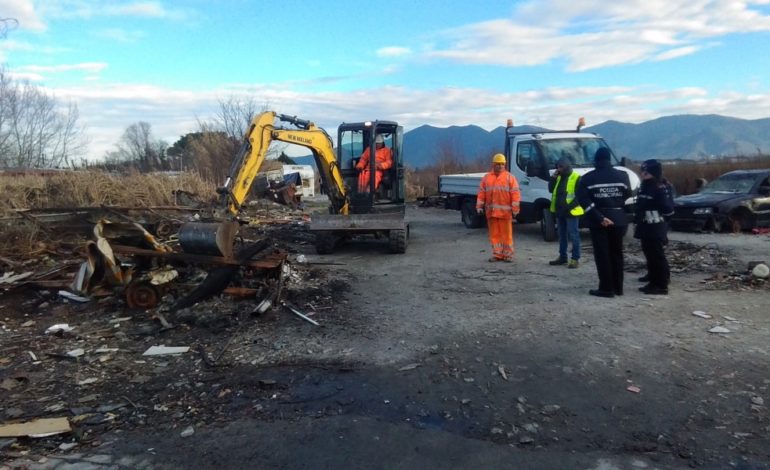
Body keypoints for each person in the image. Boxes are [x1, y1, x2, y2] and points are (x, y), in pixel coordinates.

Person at [577, 147, 631, 297]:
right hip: (619, 218)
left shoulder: (588, 178)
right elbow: (627, 194)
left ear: (596, 160)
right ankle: (618, 287)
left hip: (599, 221)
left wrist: (600, 217)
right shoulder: (623, 175)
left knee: (602, 255)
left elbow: (583, 200)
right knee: (617, 254)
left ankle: (606, 288)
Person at [634, 159, 674, 295]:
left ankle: (661, 285)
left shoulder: (659, 187)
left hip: (655, 226)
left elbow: (668, 208)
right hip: (645, 226)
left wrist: (664, 223)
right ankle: (653, 281)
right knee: (649, 254)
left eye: (646, 172)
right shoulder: (645, 185)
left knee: (657, 256)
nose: (642, 174)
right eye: (642, 172)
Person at [476, 153, 521, 262]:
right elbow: (482, 193)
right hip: (491, 213)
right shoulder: (486, 178)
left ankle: (508, 255)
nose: (500, 166)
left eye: (502, 164)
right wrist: (479, 207)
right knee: (494, 235)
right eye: (498, 164)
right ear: (493, 164)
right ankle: (497, 254)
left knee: (507, 235)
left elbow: (515, 195)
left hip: (505, 213)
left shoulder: (510, 178)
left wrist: (515, 210)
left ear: (504, 164)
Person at [548, 157, 584, 268]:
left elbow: (580, 196)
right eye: (557, 167)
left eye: (560, 167)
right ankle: (563, 257)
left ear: (567, 166)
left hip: (571, 212)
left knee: (574, 235)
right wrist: (553, 178)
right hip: (560, 211)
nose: (558, 169)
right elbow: (550, 189)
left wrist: (568, 207)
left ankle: (575, 259)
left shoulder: (576, 177)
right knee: (562, 235)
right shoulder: (558, 177)